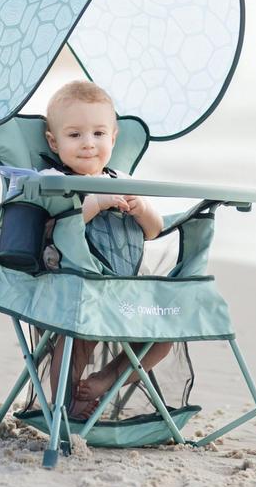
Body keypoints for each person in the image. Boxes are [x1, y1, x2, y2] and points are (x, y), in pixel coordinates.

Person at [42, 80, 172, 418]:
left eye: (99, 133)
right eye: (75, 135)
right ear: (54, 142)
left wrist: (143, 209)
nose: (89, 143)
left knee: (164, 336)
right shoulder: (53, 180)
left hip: (125, 290)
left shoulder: (121, 180)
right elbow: (50, 228)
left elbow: (154, 231)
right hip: (76, 287)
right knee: (79, 338)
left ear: (113, 138)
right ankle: (66, 404)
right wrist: (95, 203)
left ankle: (107, 378)